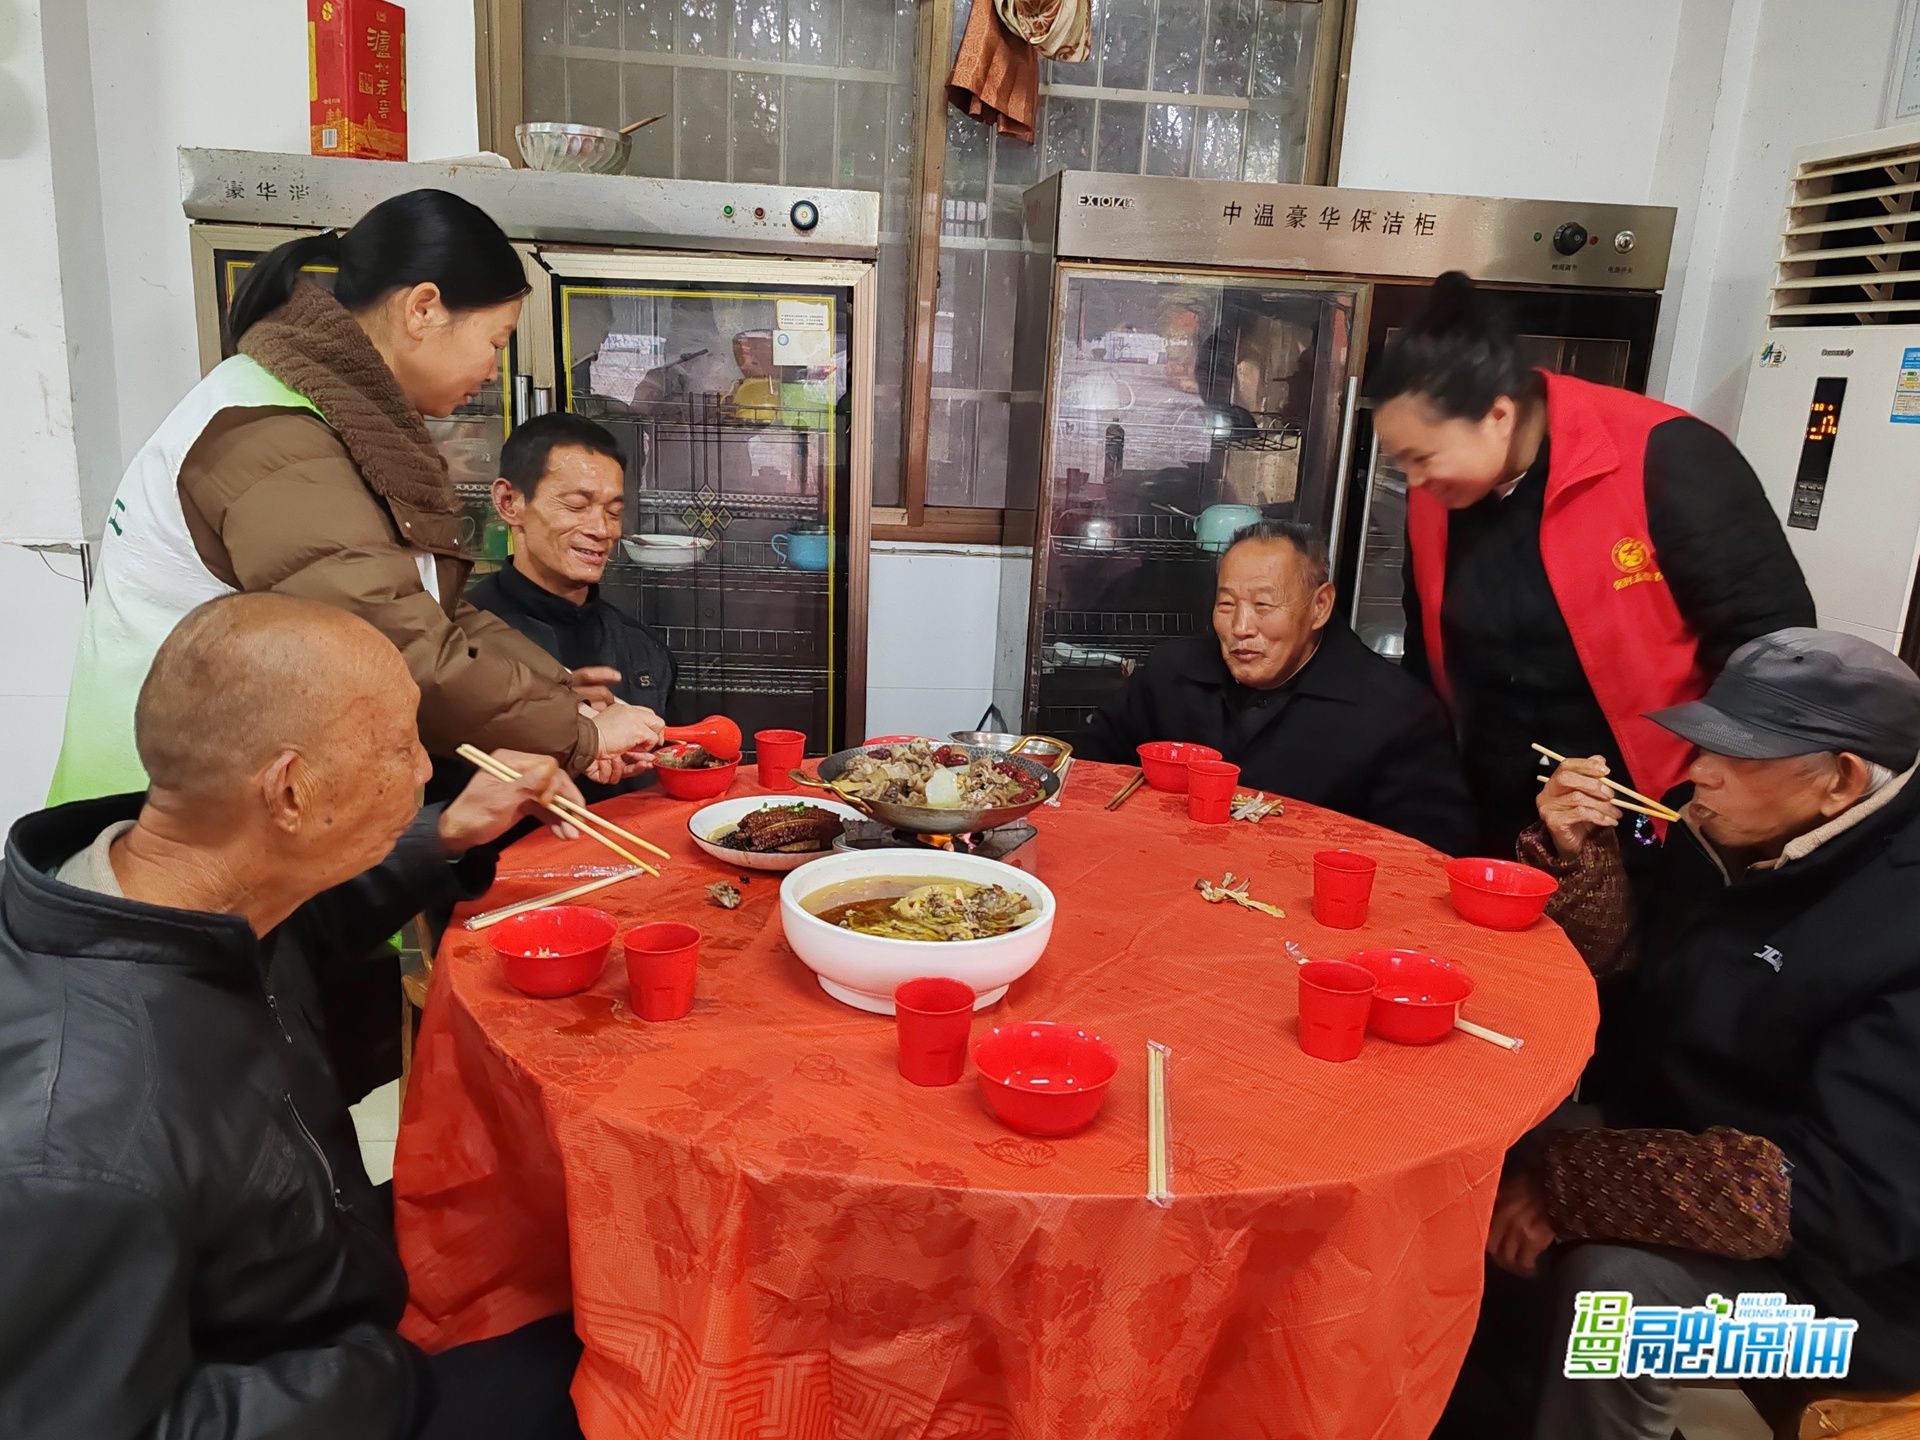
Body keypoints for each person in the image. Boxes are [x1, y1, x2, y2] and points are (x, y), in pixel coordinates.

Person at [0, 593, 588, 1440]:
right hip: (329, 1377)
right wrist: (373, 1377)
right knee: (609, 1378)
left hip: (328, 1257)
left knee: (581, 1238)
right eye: (401, 747)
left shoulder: (185, 892)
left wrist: (447, 834)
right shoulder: (81, 1142)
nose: (426, 768)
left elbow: (312, 921)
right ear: (290, 790)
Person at [1438, 628, 1920, 1440]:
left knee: (1616, 1303)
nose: (1699, 774)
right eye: (1704, 744)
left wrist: (1577, 1190)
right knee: (1473, 1146)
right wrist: (1575, 852)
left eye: (1741, 756)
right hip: (1675, 1142)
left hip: (1845, 1318)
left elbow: (1841, 1200)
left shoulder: (1900, 923)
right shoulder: (1728, 831)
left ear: (1839, 781)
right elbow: (1630, 971)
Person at [49, 187, 664, 808]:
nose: (491, 369)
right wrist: (578, 734)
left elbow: (425, 605)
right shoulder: (272, 435)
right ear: (423, 309)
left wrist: (555, 692)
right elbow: (393, 649)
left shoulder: (327, 412)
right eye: (497, 341)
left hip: (229, 795)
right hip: (157, 815)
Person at [1370, 271, 1815, 861]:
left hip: (1647, 814)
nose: (1415, 482)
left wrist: (1708, 800)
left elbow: (1774, 654)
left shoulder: (1668, 457)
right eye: (1403, 463)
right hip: (1492, 811)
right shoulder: (1442, 494)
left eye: (1422, 457)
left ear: (1498, 415)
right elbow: (1428, 648)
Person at [1078, 521, 1474, 853]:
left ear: (1320, 606)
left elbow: (1426, 857)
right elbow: (1087, 771)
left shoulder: (1395, 712)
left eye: (1264, 606)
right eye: (1227, 605)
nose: (1241, 628)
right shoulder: (1171, 674)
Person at [466, 412, 675, 802]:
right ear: (509, 503)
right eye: (577, 506)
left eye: (613, 512)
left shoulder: (643, 650)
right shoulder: (456, 640)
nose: (601, 529)